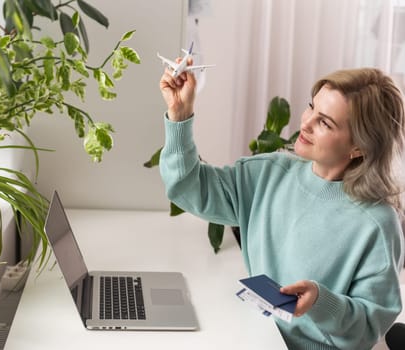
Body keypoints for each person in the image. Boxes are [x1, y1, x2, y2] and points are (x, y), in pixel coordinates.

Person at [159, 62, 405, 349]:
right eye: (311, 107)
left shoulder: (376, 223)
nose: (306, 123)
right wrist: (180, 115)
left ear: (359, 147)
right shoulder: (270, 173)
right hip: (255, 337)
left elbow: (367, 330)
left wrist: (321, 301)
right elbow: (187, 187)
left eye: (324, 122)